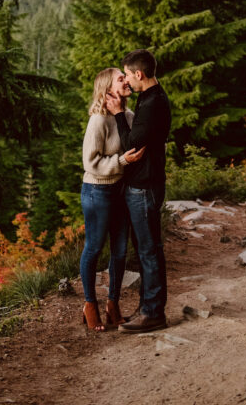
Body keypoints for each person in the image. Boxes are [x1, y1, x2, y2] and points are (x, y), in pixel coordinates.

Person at [106, 48, 172, 333]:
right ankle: (148, 307)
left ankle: (153, 312)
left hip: (145, 186)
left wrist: (119, 114)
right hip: (146, 183)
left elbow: (131, 143)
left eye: (128, 75)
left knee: (148, 251)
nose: (127, 82)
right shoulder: (150, 98)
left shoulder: (152, 104)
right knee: (147, 249)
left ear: (139, 74)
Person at [80, 67, 145, 331]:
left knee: (120, 250)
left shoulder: (127, 116)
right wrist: (121, 161)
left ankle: (113, 304)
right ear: (108, 89)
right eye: (121, 79)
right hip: (97, 192)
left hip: (120, 190)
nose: (127, 81)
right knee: (94, 248)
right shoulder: (98, 120)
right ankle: (89, 305)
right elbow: (90, 161)